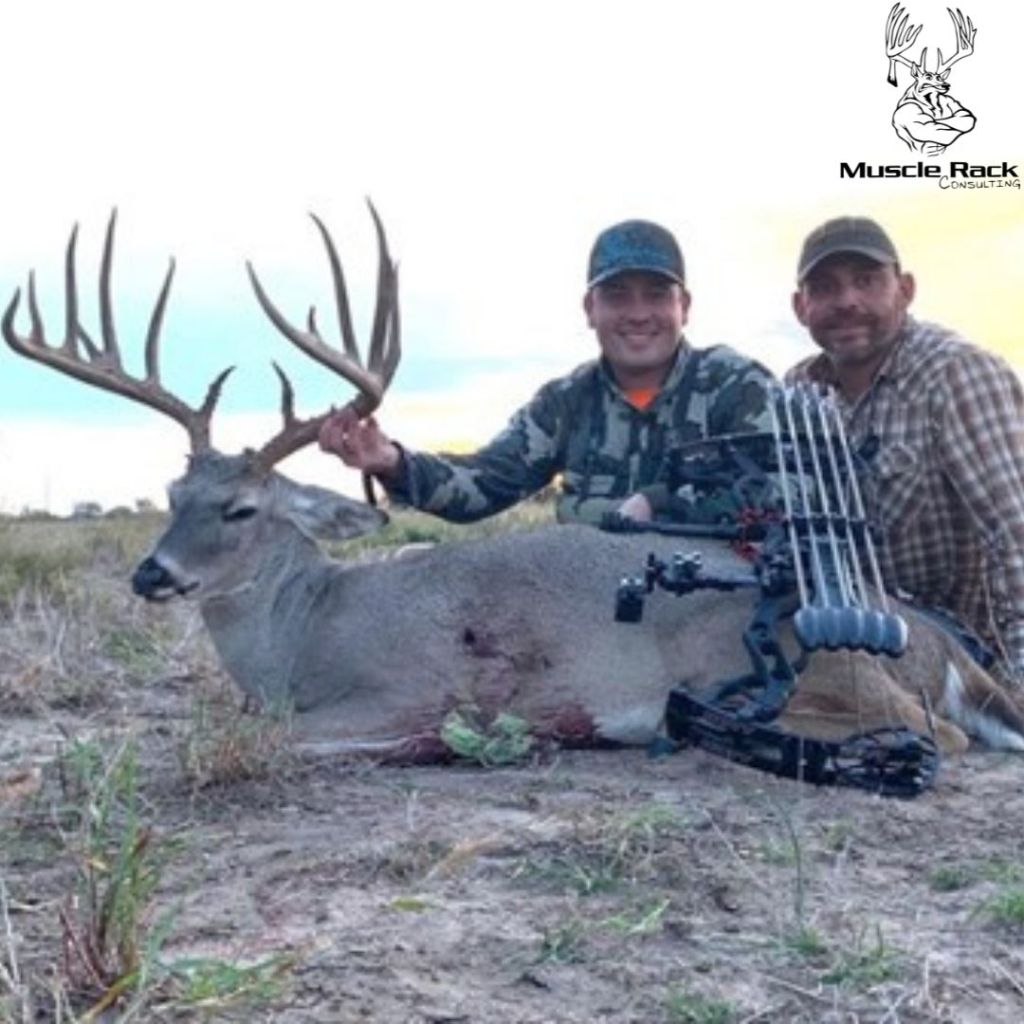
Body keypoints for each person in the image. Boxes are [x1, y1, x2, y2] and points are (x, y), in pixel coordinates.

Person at [319, 219, 775, 525]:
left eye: (656, 295)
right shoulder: (564, 404)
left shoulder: (737, 386)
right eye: (617, 296)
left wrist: (660, 503)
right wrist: (394, 462)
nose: (638, 314)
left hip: (711, 617)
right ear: (590, 309)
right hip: (591, 611)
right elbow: (485, 483)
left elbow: (788, 489)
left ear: (684, 307)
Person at [786, 215, 1024, 683]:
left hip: (968, 665)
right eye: (825, 287)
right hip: (855, 657)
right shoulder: (797, 391)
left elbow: (1016, 538)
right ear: (801, 307)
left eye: (866, 281)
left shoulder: (957, 374)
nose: (847, 301)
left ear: (906, 289)